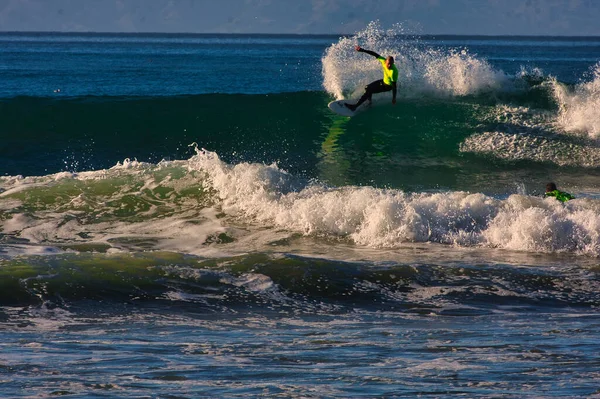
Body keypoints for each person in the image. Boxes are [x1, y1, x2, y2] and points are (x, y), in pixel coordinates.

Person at [345, 45, 398, 112]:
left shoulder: (393, 72)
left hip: (388, 86)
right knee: (367, 87)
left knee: (370, 90)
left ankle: (355, 107)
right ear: (385, 62)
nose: (389, 66)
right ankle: (369, 103)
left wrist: (394, 98)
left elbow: (394, 86)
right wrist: (362, 50)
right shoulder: (383, 61)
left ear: (393, 63)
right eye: (388, 64)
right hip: (384, 81)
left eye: (391, 64)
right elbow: (374, 53)